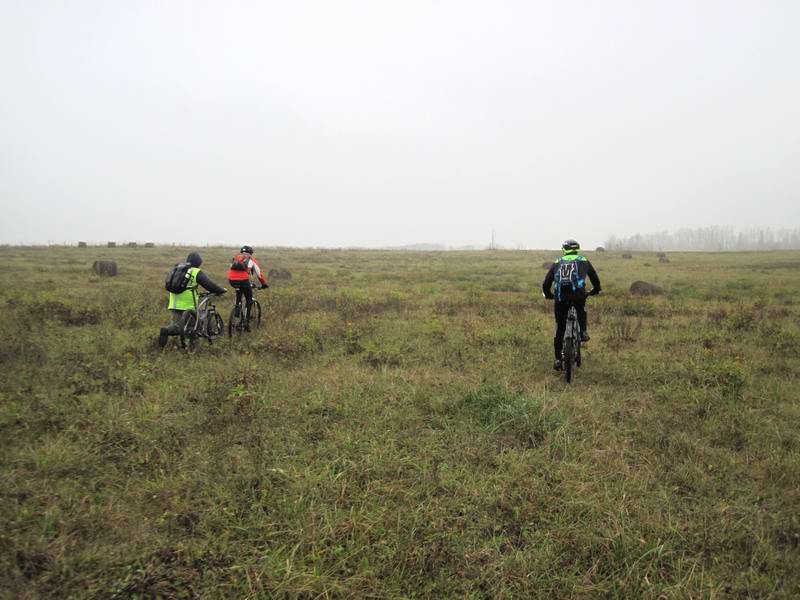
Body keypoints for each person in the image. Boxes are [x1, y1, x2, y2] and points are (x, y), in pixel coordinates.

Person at [542, 239, 601, 370]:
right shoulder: (584, 260)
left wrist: (548, 294)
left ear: (564, 250)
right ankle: (584, 332)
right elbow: (594, 278)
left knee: (560, 328)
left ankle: (558, 359)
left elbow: (547, 282)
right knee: (581, 309)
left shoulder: (557, 262)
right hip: (579, 295)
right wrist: (595, 290)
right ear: (577, 249)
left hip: (560, 297)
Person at [159, 252, 226, 348]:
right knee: (193, 327)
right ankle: (193, 350)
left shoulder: (179, 269)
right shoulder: (195, 272)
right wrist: (221, 290)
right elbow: (209, 285)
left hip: (174, 303)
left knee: (177, 327)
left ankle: (166, 331)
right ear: (198, 263)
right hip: (188, 304)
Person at [227, 245, 269, 330]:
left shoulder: (235, 257)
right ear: (251, 253)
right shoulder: (251, 260)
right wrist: (264, 284)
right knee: (249, 299)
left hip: (232, 280)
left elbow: (232, 269)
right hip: (243, 280)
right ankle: (246, 322)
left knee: (239, 294)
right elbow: (259, 274)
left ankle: (237, 310)